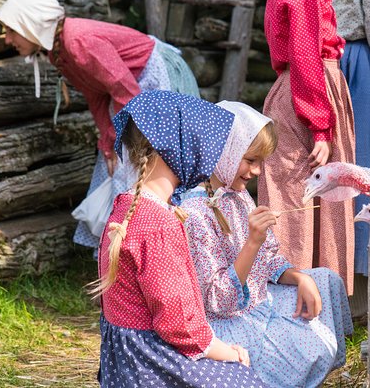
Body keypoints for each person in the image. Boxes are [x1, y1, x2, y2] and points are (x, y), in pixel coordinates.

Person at [0, 0, 200, 252]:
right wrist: (107, 144)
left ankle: (167, 245)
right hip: (130, 96)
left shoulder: (77, 40)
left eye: (11, 30)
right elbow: (97, 95)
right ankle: (122, 252)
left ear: (30, 23)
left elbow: (125, 89)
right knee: (116, 164)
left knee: (154, 164)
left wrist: (119, 140)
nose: (7, 39)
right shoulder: (58, 50)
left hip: (150, 80)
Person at [93, 91, 266, 387]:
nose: (207, 155)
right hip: (150, 362)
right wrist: (227, 352)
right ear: (179, 149)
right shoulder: (157, 223)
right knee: (245, 380)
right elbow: (177, 323)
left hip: (125, 360)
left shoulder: (126, 204)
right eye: (203, 144)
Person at [180, 101, 353, 388]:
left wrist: (299, 278)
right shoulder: (196, 214)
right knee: (317, 348)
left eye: (261, 162)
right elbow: (220, 302)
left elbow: (269, 259)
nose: (258, 171)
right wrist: (252, 242)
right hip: (229, 324)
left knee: (325, 281)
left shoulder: (238, 195)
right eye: (251, 160)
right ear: (225, 151)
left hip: (257, 300)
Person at [259, 0, 361, 295]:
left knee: (309, 201)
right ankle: (292, 308)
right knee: (294, 204)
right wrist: (319, 124)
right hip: (307, 94)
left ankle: (315, 304)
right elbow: (304, 55)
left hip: (306, 90)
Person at [330, 0, 370, 316]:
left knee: (350, 161)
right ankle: (356, 287)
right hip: (357, 60)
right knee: (358, 160)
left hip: (336, 60)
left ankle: (354, 284)